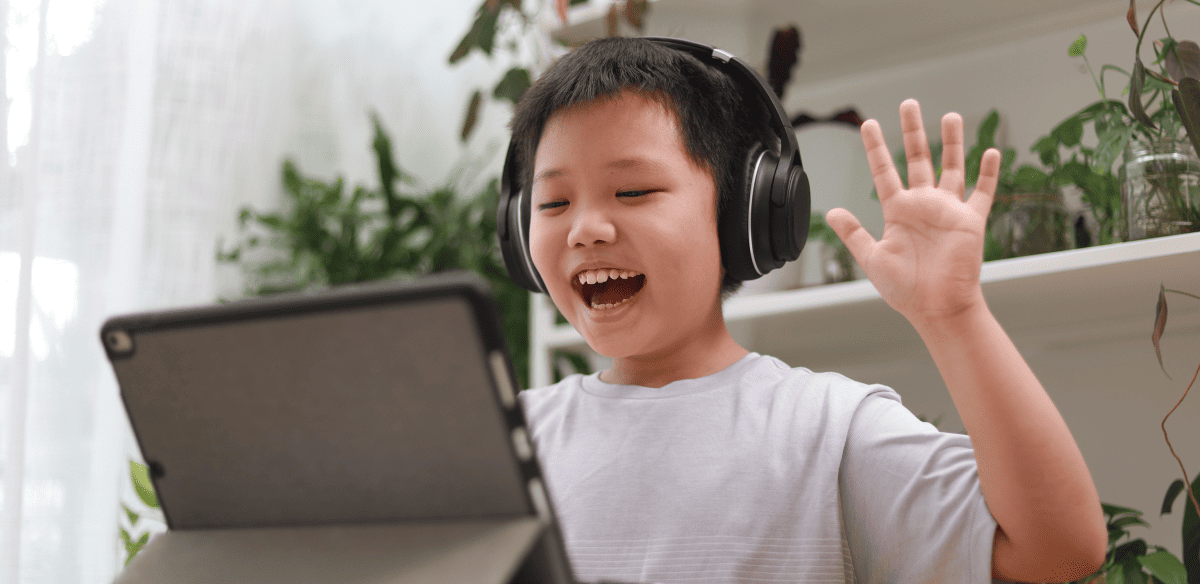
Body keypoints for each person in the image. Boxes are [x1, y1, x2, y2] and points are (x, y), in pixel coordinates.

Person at [507, 37, 1106, 583]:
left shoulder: (827, 428)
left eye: (632, 191)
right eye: (553, 201)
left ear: (743, 212)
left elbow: (1060, 548)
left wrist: (954, 315)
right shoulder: (511, 437)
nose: (585, 229)